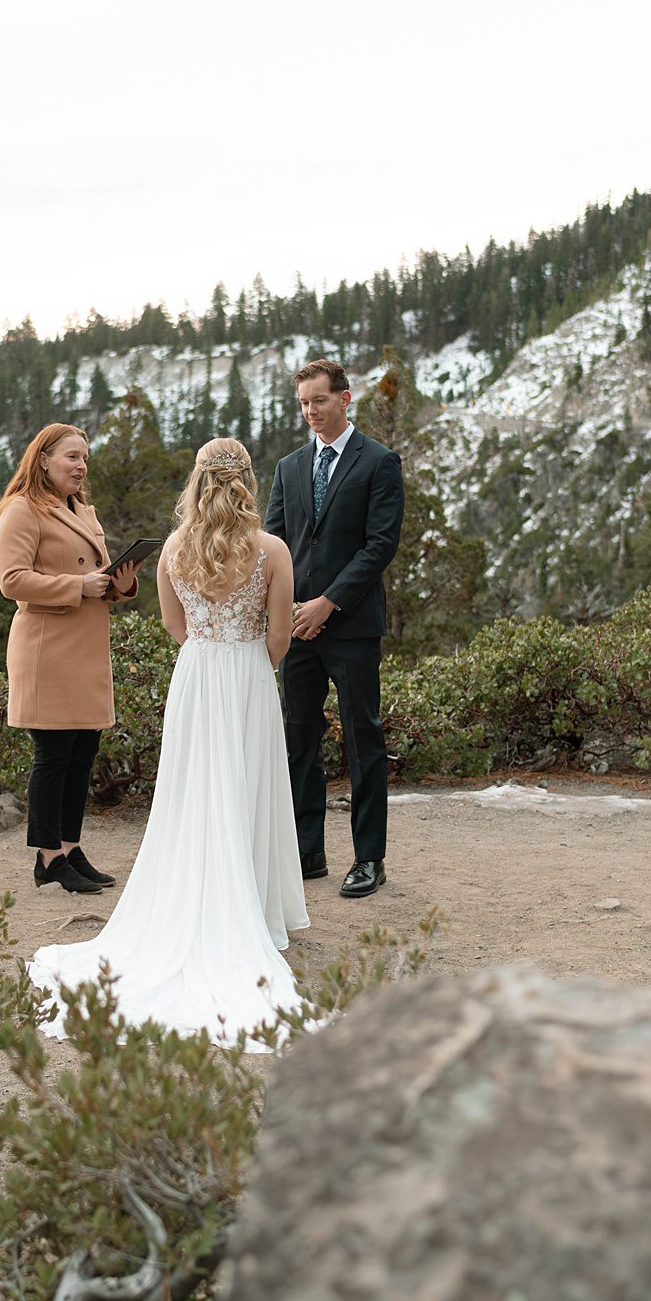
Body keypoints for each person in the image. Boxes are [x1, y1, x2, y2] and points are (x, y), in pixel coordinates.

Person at [29, 438, 309, 1044]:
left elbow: (173, 626)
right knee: (249, 784)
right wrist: (251, 667)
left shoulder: (175, 549)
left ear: (196, 482)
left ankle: (198, 901)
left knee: (192, 794)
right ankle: (257, 911)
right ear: (248, 483)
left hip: (197, 675)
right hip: (248, 675)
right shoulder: (272, 550)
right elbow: (281, 633)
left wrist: (210, 654)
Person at [265, 358, 404, 899]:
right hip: (297, 627)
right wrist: (290, 609)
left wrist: (329, 603)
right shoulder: (289, 467)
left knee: (362, 737)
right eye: (303, 404)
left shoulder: (380, 462)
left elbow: (379, 546)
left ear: (345, 399)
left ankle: (369, 858)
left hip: (350, 625)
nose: (310, 412)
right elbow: (273, 545)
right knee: (298, 740)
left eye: (318, 401)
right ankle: (308, 852)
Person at [0, 423, 141, 895]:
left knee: (83, 753)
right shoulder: (21, 509)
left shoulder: (81, 509)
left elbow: (94, 576)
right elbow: (12, 580)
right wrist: (77, 586)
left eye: (85, 459)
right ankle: (47, 856)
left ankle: (70, 847)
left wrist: (120, 583)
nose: (81, 467)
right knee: (53, 754)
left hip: (84, 645)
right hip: (48, 646)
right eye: (72, 458)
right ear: (43, 460)